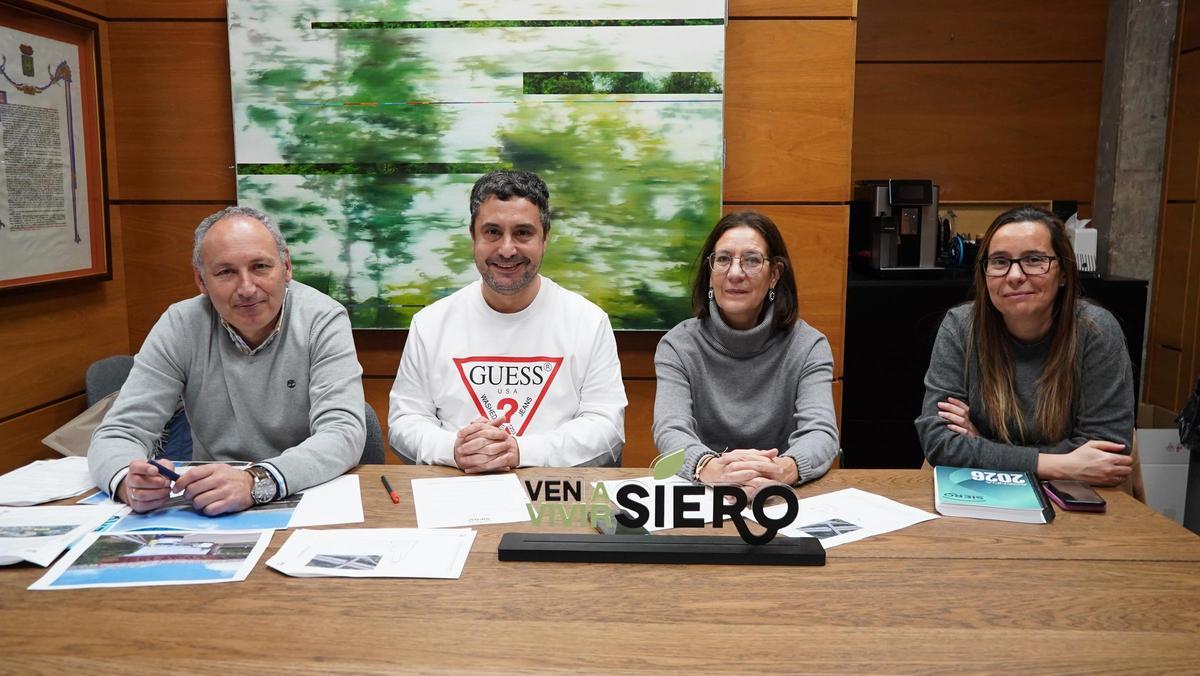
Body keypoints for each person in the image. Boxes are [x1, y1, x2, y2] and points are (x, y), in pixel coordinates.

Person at [88, 206, 366, 514]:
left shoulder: (322, 319)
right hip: (208, 503)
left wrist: (256, 481)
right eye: (226, 272)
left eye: (260, 266)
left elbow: (343, 432)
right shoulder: (181, 324)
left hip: (302, 492)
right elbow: (120, 431)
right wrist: (128, 481)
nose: (246, 288)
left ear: (286, 267)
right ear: (201, 281)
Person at [388, 170, 626, 470]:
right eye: (492, 232)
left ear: (545, 238)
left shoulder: (588, 322)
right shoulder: (430, 324)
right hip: (456, 485)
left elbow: (606, 427)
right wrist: (456, 449)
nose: (507, 249)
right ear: (473, 236)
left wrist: (519, 451)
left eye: (523, 233)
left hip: (552, 491)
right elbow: (405, 421)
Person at [915, 205, 1135, 485]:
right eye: (999, 261)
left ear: (1064, 272)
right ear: (984, 274)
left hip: (1073, 495)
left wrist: (981, 445)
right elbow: (940, 443)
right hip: (981, 489)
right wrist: (1058, 465)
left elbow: (1106, 456)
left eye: (1033, 260)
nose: (1015, 275)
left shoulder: (1096, 330)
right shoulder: (960, 327)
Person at [652, 211, 839, 497]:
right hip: (705, 495)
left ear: (774, 275)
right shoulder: (678, 346)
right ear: (710, 273)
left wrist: (783, 469)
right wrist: (709, 468)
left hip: (782, 495)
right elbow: (670, 429)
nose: (735, 273)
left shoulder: (808, 345)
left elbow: (821, 433)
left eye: (752, 260)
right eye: (723, 259)